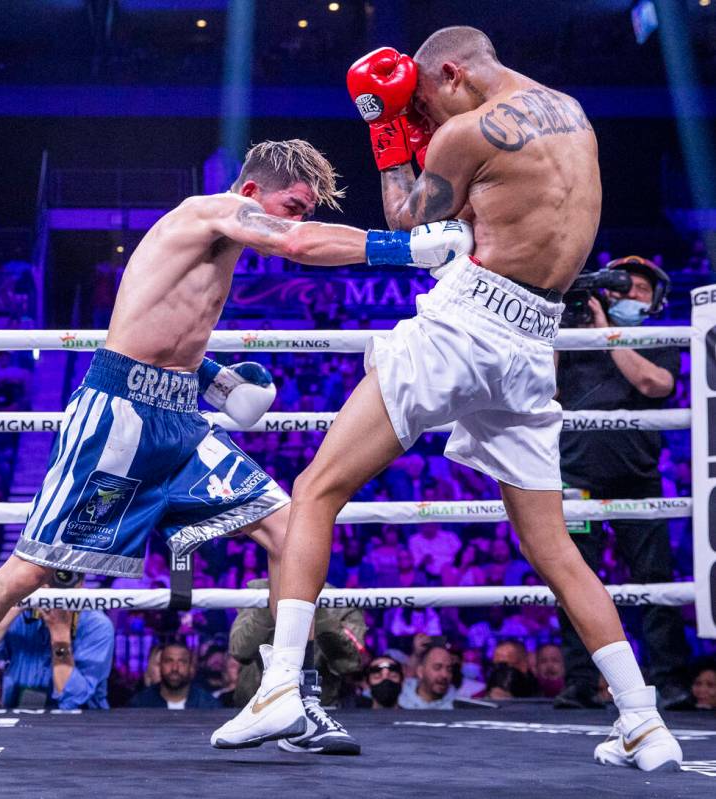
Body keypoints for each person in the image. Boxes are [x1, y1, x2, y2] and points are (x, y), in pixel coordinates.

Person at [0, 138, 469, 750]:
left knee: (292, 530)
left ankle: (295, 698)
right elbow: (290, 243)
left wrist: (216, 381)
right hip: (118, 422)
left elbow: (168, 323)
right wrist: (405, 247)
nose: (299, 221)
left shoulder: (223, 244)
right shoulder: (205, 210)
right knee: (33, 570)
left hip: (180, 424)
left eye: (307, 211)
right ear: (253, 192)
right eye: (294, 205)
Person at [215, 28, 683, 772]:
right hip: (534, 340)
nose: (425, 118)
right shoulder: (574, 115)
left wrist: (385, 130)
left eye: (427, 101)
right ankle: (643, 720)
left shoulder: (465, 132)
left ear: (454, 73)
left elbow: (409, 223)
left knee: (315, 488)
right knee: (554, 546)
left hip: (469, 324)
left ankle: (277, 686)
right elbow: (506, 214)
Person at [555, 256, 690, 710]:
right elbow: (545, 385)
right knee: (572, 580)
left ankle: (671, 682)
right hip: (575, 478)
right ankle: (578, 683)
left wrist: (607, 333)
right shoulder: (575, 329)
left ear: (655, 300)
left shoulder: (656, 338)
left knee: (655, 582)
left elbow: (655, 385)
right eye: (623, 286)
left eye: (641, 290)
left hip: (638, 478)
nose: (631, 294)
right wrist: (566, 322)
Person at [228, 577, 366, 753]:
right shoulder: (257, 591)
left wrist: (315, 609)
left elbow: (350, 664)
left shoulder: (340, 599)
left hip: (320, 710)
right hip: (255, 709)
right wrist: (274, 600)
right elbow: (240, 650)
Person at [0, 570, 113, 709]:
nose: (52, 593)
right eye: (44, 581)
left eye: (61, 582)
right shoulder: (21, 615)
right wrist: (9, 609)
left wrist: (60, 635)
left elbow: (74, 698)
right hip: (18, 712)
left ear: (81, 584)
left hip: (80, 722)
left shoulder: (97, 625)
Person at [130, 642, 220, 710]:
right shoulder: (140, 704)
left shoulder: (209, 705)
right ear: (160, 665)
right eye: (168, 661)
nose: (175, 668)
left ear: (191, 668)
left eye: (182, 662)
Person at [398, 645, 456, 709]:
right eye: (437, 667)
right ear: (420, 671)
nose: (445, 675)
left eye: (449, 670)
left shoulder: (458, 706)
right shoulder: (398, 699)